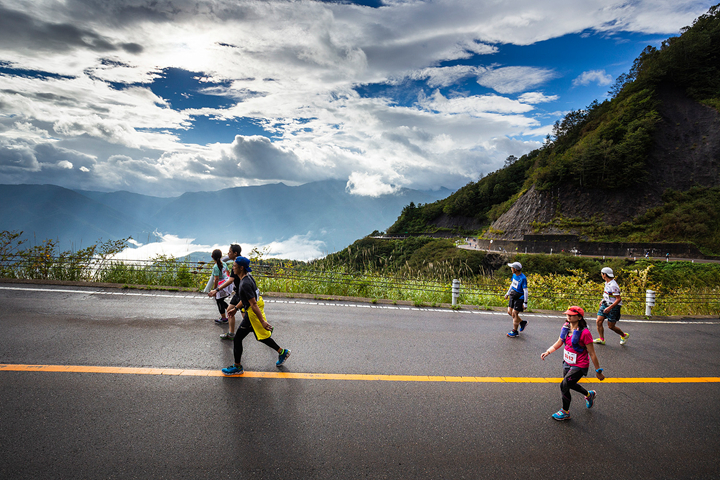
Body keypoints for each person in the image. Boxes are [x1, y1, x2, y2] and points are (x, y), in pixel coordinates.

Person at [216, 256, 291, 376]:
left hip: (252, 314)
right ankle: (282, 352)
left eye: (234, 266)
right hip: (252, 311)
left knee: (238, 338)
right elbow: (247, 299)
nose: (232, 268)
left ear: (241, 268)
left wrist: (262, 321)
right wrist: (235, 308)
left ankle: (237, 367)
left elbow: (253, 303)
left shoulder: (245, 283)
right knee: (259, 336)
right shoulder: (247, 278)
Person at [541, 306, 605, 421]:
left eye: (571, 315)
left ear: (579, 317)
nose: (568, 316)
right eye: (567, 314)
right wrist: (548, 351)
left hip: (580, 365)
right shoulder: (565, 327)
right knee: (569, 384)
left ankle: (565, 412)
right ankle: (589, 395)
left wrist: (598, 371)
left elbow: (592, 353)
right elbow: (560, 341)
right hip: (567, 362)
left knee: (564, 385)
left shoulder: (585, 333)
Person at [209, 244, 243, 339]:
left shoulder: (237, 263)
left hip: (242, 293)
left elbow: (228, 280)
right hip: (237, 291)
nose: (228, 254)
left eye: (229, 252)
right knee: (229, 310)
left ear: (235, 253)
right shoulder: (233, 262)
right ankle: (231, 334)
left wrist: (216, 289)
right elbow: (229, 277)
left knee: (248, 317)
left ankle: (262, 327)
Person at [594, 267, 630, 345]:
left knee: (611, 326)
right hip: (605, 303)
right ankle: (601, 339)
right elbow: (607, 294)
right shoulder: (606, 283)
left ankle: (623, 335)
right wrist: (602, 300)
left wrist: (610, 308)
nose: (601, 275)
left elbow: (618, 299)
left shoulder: (613, 285)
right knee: (599, 321)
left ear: (604, 275)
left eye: (601, 273)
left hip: (613, 307)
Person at [504, 261, 529, 337]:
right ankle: (522, 322)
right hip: (513, 294)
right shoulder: (514, 275)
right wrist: (507, 293)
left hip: (519, 297)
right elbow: (512, 284)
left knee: (515, 313)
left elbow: (525, 291)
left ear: (515, 269)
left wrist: (525, 302)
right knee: (509, 312)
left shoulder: (523, 278)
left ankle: (515, 331)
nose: (511, 269)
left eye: (512, 268)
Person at [209, 249, 233, 324]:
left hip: (220, 285)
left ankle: (224, 318)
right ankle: (230, 310)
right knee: (221, 300)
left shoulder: (215, 267)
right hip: (226, 283)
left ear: (212, 257)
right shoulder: (224, 263)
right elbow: (228, 272)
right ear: (221, 256)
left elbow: (216, 279)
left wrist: (215, 290)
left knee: (219, 301)